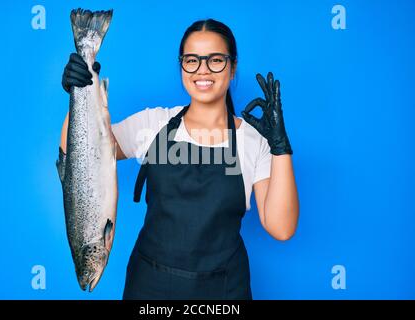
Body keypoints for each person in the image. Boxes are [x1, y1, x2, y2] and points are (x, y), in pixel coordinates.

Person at [59, 18, 299, 300]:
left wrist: (280, 147)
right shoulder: (152, 123)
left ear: (233, 67)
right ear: (181, 65)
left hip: (222, 292)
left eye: (216, 60)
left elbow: (281, 228)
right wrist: (78, 91)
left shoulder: (255, 140)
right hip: (149, 286)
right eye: (192, 60)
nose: (203, 70)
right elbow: (79, 161)